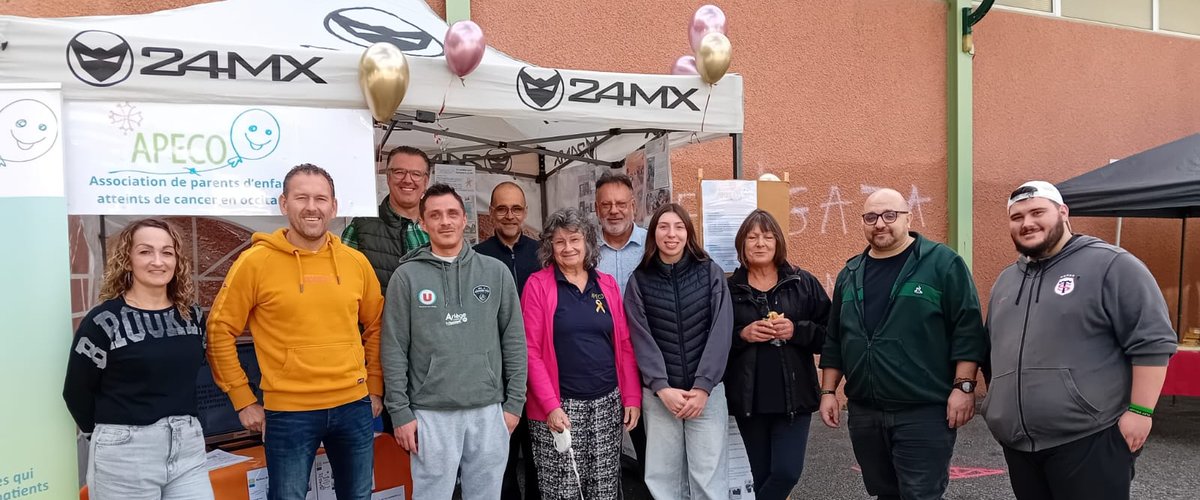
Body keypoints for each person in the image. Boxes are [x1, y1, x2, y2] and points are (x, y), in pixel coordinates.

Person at [983, 181, 1178, 499]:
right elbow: (994, 349)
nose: (1027, 223)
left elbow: (1153, 342)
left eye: (1037, 212)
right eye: (1016, 217)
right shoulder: (1007, 280)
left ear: (1063, 213)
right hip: (1020, 445)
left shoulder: (1112, 265)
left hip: (1090, 437)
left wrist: (1141, 412)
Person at [208, 164, 385, 500]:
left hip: (353, 405)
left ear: (334, 207)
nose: (311, 206)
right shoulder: (254, 262)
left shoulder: (355, 262)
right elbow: (219, 330)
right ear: (283, 203)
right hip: (289, 412)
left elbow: (377, 325)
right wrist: (242, 400)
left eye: (321, 198)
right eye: (301, 197)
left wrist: (374, 386)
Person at [818, 188, 987, 500]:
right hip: (866, 412)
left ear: (908, 218)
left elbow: (967, 328)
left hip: (923, 411)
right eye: (871, 217)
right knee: (885, 493)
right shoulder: (850, 273)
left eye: (889, 215)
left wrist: (964, 387)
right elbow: (835, 337)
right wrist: (828, 391)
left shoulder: (942, 264)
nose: (880, 223)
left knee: (920, 494)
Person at [381, 184, 527, 500]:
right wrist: (400, 413)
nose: (444, 222)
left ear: (465, 220)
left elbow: (514, 340)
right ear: (423, 224)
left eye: (452, 214)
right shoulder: (405, 277)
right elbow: (393, 348)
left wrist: (514, 404)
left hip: (489, 409)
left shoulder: (496, 272)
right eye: (435, 215)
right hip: (430, 412)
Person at [63, 218, 213, 500]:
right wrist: (111, 434)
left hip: (188, 449)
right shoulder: (103, 321)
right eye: (145, 251)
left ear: (177, 260)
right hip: (125, 453)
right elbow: (76, 392)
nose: (158, 261)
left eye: (167, 252)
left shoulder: (192, 316)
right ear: (127, 260)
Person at [521, 208, 642, 500]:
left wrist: (632, 397)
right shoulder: (538, 286)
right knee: (563, 490)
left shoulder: (607, 285)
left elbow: (625, 344)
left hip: (606, 403)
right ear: (550, 247)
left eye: (574, 239)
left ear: (588, 242)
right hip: (559, 407)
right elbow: (530, 351)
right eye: (559, 242)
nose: (568, 248)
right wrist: (551, 406)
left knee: (604, 489)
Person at [624, 203, 733, 500]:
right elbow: (640, 337)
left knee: (709, 479)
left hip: (706, 396)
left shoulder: (710, 273)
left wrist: (703, 386)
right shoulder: (639, 280)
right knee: (663, 480)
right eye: (663, 227)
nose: (671, 234)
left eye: (679, 227)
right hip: (661, 397)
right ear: (653, 234)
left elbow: (721, 332)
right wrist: (661, 386)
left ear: (689, 233)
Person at [726, 210, 831, 500]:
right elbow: (715, 344)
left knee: (787, 472)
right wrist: (742, 335)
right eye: (752, 237)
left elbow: (831, 335)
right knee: (761, 476)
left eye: (768, 237)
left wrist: (796, 331)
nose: (760, 243)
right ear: (742, 245)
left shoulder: (801, 282)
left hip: (795, 398)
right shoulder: (729, 289)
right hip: (750, 399)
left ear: (778, 243)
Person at [474, 181, 541, 500]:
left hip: (541, 373)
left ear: (525, 212)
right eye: (502, 208)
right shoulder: (475, 258)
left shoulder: (544, 253)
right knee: (500, 459)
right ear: (492, 213)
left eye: (516, 208)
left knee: (540, 457)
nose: (509, 215)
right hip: (497, 376)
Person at [592, 171, 650, 478]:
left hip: (649, 358)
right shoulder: (584, 250)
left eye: (620, 204)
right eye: (606, 204)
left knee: (652, 444)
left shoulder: (652, 246)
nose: (614, 210)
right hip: (600, 358)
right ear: (596, 207)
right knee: (602, 447)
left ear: (633, 206)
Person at [342, 146, 432, 289]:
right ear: (388, 177)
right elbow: (344, 285)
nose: (408, 180)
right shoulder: (361, 227)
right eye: (399, 172)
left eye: (416, 174)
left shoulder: (439, 227)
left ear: (426, 181)